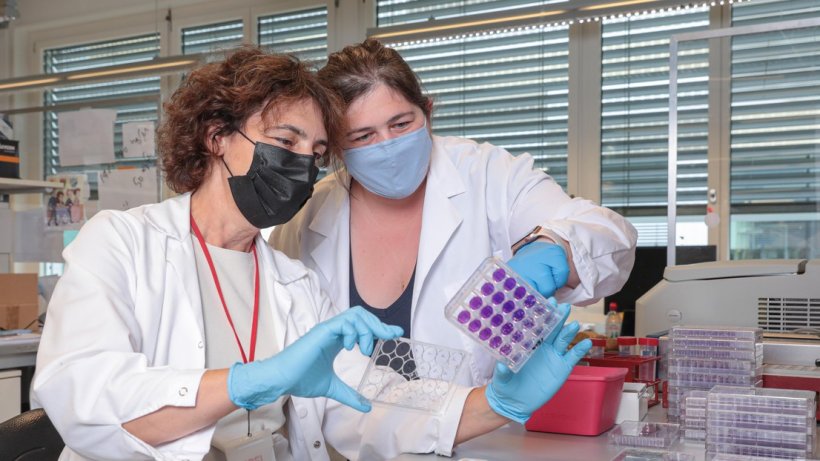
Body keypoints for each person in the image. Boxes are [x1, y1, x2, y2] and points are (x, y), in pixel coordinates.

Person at [32, 46, 590, 461]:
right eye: (285, 142)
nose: (303, 163)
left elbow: (364, 401)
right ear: (216, 136)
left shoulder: (294, 281)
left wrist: (495, 405)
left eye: (318, 151)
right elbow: (83, 398)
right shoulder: (122, 243)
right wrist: (245, 383)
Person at [270, 38, 638, 386]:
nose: (387, 145)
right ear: (334, 145)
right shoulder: (307, 218)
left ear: (427, 113)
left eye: (401, 124)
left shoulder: (489, 175)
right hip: (348, 443)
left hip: (476, 440)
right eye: (362, 136)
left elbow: (608, 235)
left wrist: (555, 246)